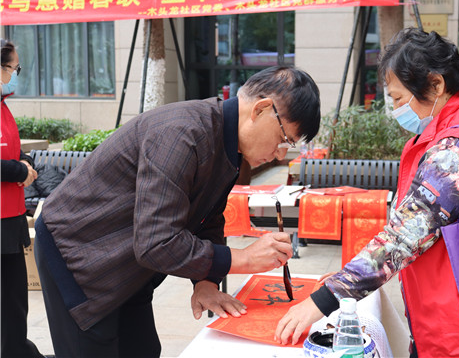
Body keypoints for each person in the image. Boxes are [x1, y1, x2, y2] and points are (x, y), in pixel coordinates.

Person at [34, 66, 321, 357]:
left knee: (143, 350)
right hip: (79, 252)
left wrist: (205, 281)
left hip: (127, 258)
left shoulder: (227, 142)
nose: (281, 154)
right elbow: (157, 243)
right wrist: (243, 258)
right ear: (260, 109)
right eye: (284, 139)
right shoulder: (181, 133)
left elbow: (208, 217)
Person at [275, 28, 459, 357]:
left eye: (397, 98)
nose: (394, 109)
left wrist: (325, 299)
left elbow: (404, 236)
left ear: (436, 85)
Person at [1, 39, 44, 358]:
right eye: (12, 68)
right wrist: (19, 170)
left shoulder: (3, 106)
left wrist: (25, 163)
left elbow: (12, 150)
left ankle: (16, 350)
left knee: (14, 296)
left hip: (11, 214)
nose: (15, 75)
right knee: (9, 296)